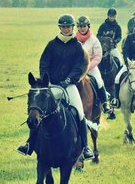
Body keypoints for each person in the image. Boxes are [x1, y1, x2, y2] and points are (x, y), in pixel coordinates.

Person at [17, 14, 95, 159]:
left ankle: (85, 147)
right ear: (60, 28)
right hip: (52, 85)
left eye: (68, 27)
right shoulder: (51, 45)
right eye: (63, 27)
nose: (66, 29)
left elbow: (79, 66)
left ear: (72, 28)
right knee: (38, 110)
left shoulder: (77, 46)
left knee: (79, 112)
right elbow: (44, 63)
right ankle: (29, 143)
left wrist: (69, 79)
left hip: (69, 86)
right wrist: (47, 79)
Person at [76, 15, 111, 113]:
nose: (82, 28)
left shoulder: (94, 40)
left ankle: (105, 104)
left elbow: (97, 57)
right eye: (80, 26)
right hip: (76, 69)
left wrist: (87, 67)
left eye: (84, 26)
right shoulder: (73, 39)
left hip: (91, 68)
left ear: (88, 26)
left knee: (99, 82)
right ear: (77, 27)